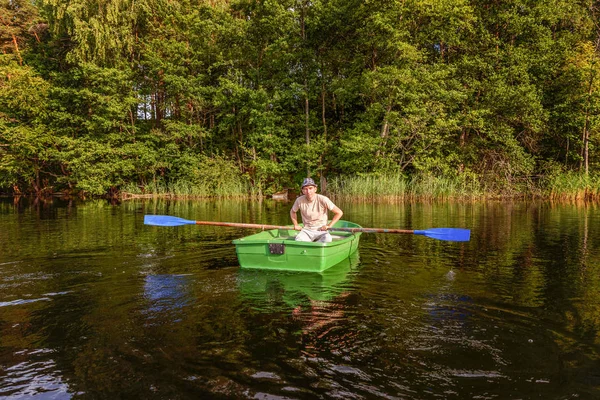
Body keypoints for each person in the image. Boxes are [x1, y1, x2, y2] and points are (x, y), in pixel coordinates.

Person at [290, 178, 343, 243]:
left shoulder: (323, 199)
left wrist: (329, 226)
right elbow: (292, 211)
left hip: (321, 230)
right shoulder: (299, 200)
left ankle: (314, 244)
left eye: (310, 188)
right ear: (303, 191)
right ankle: (312, 244)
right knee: (298, 240)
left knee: (328, 239)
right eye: (305, 189)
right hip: (307, 230)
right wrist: (296, 225)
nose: (308, 191)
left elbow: (339, 212)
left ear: (315, 189)